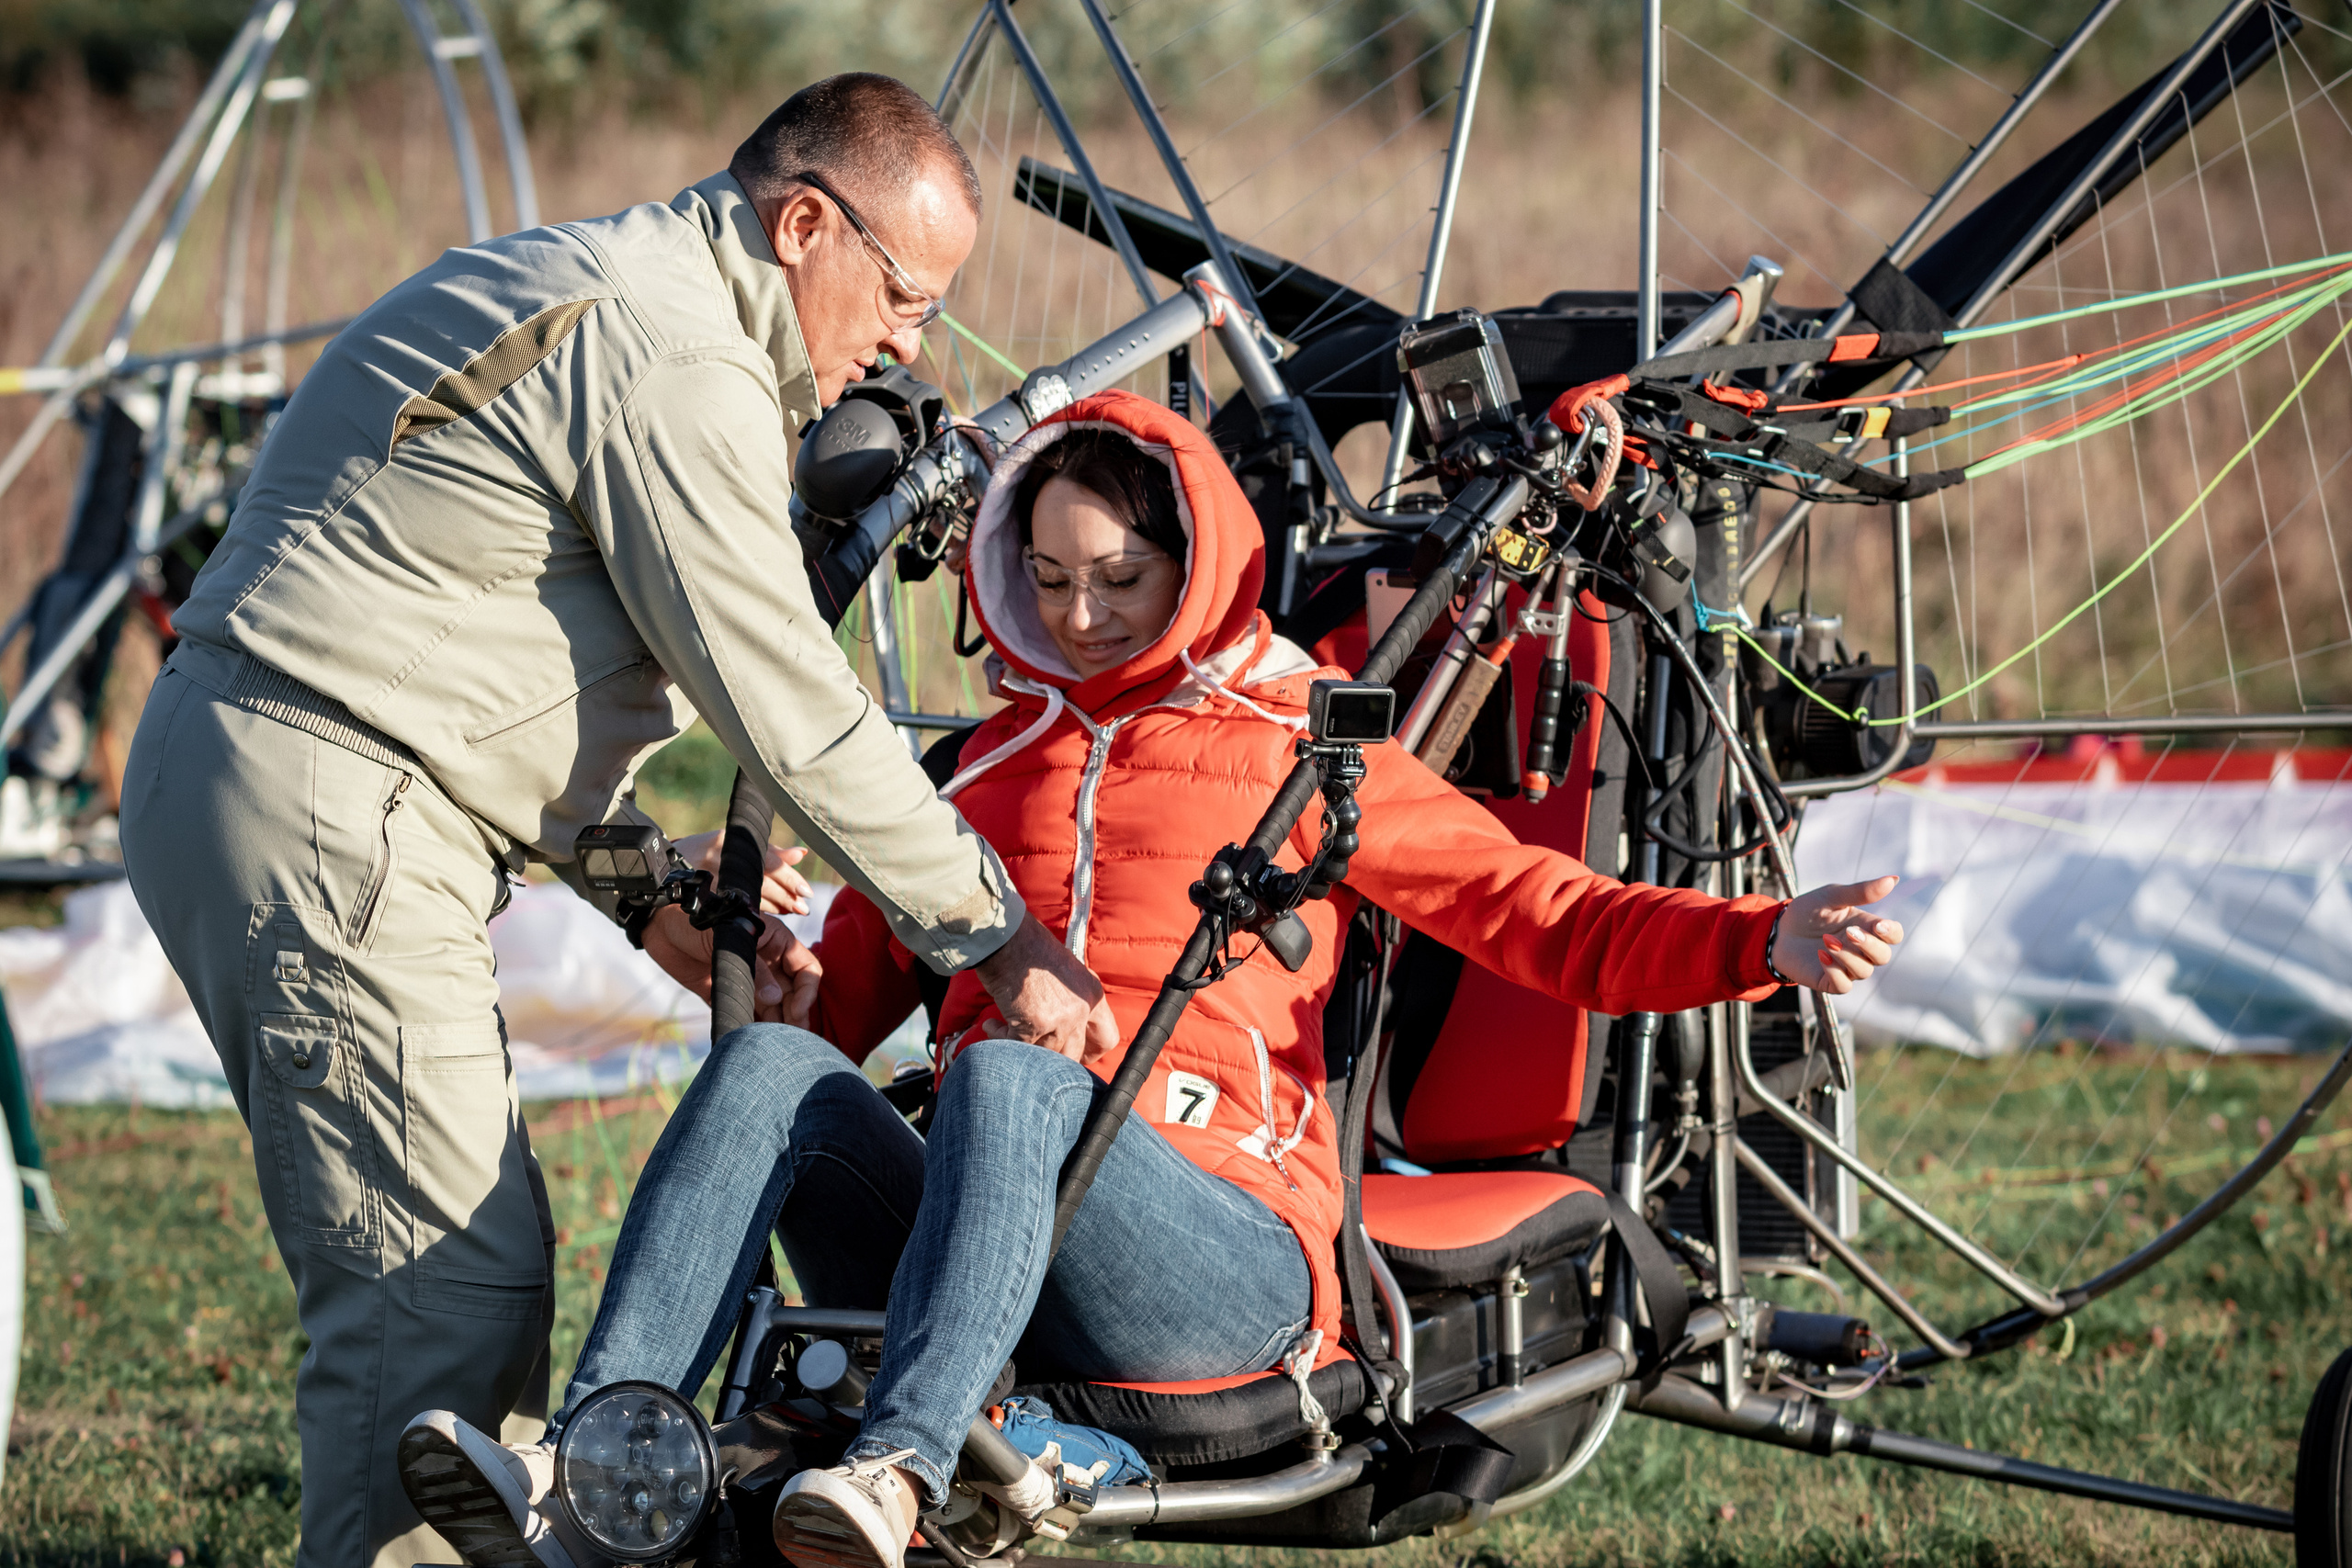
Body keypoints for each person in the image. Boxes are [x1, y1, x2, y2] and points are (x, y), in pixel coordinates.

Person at [399, 389, 1905, 1568]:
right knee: (770, 1071)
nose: (1076, 615)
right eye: (1045, 576)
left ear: (1191, 566)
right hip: (971, 1246)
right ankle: (596, 1457)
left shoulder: (1302, 745)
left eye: (1118, 579)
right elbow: (827, 1025)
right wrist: (756, 952)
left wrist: (1758, 940)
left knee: (1015, 1063)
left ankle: (901, 1469)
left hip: (1218, 1269)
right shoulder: (973, 774)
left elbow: (1542, 917)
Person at [117, 75, 1115, 1568]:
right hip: (333, 802)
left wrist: (644, 882)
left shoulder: (591, 278)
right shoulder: (678, 358)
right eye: (909, 292)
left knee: (455, 1281)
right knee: (437, 1297)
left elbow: (470, 657)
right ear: (803, 226)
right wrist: (1000, 935)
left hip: (279, 771)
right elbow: (788, 701)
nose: (913, 339)